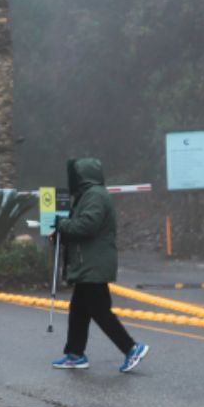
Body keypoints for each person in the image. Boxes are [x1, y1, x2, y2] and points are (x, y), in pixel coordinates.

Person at [51, 158, 149, 373]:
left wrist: (62, 225)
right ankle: (75, 354)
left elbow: (87, 226)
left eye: (76, 175)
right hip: (89, 263)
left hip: (93, 264)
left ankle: (131, 348)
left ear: (83, 176)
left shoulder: (95, 195)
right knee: (79, 310)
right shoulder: (89, 195)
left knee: (99, 311)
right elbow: (82, 227)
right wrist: (62, 231)